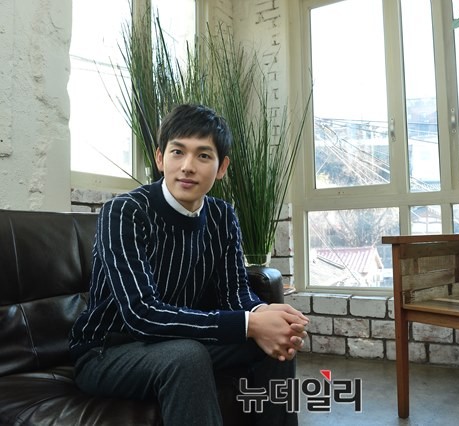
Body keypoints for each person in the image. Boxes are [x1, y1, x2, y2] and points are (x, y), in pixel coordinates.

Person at [69, 104, 308, 426]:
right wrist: (249, 324)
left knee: (280, 337)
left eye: (203, 156)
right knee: (186, 355)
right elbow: (141, 314)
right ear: (160, 158)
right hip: (107, 351)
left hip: (179, 340)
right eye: (177, 152)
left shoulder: (222, 215)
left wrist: (263, 314)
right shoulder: (125, 212)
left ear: (222, 167)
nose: (187, 167)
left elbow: (234, 292)